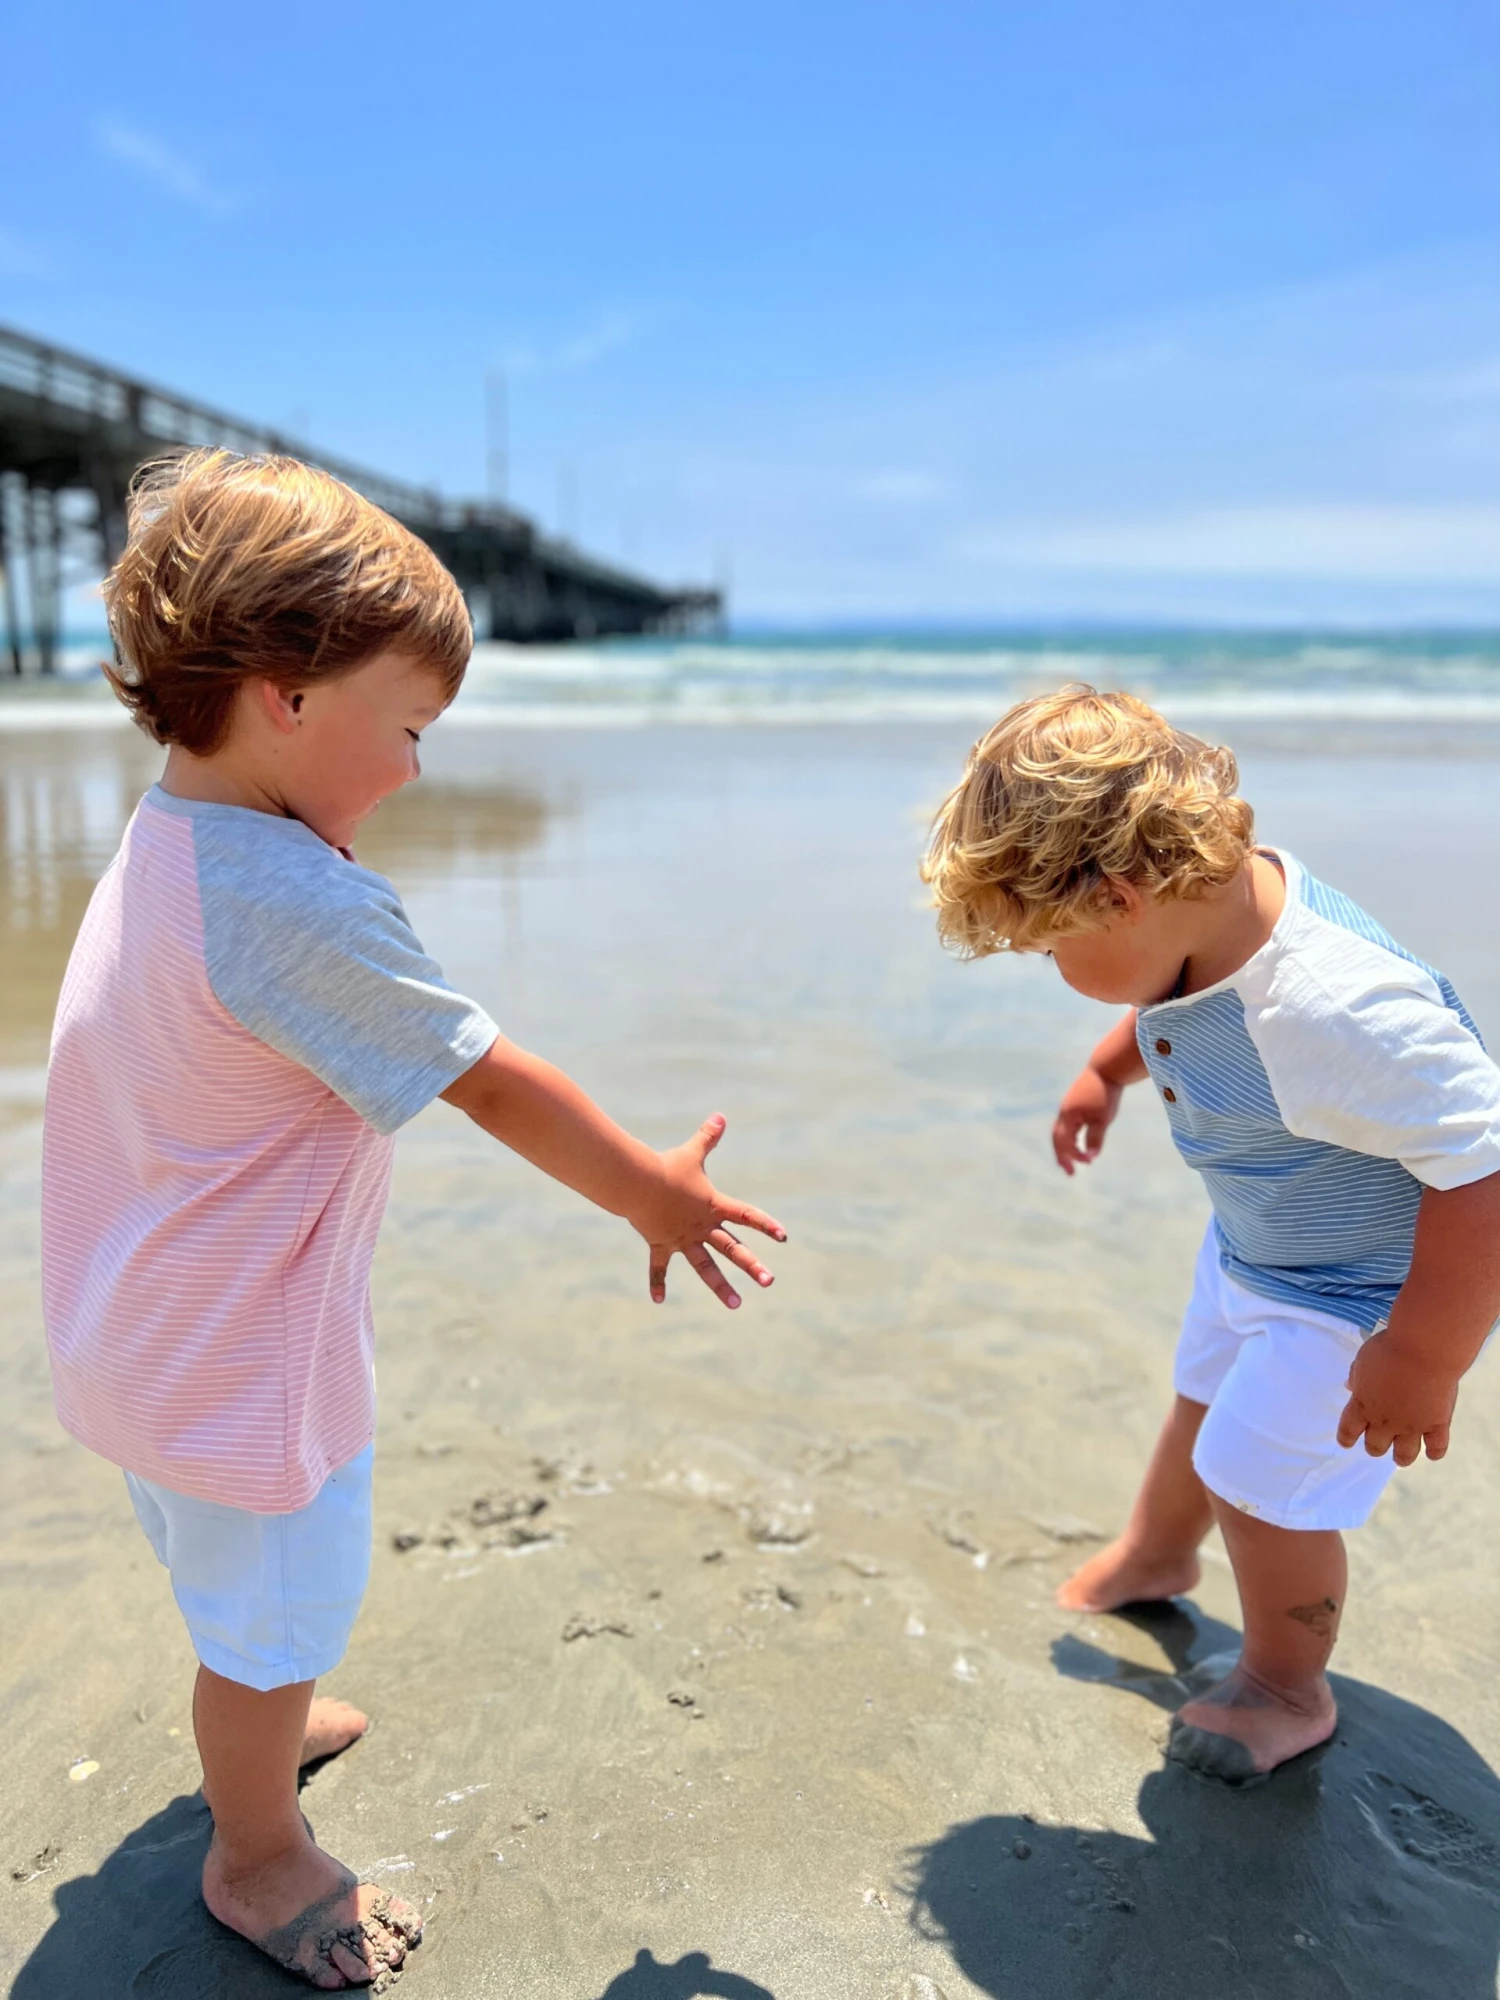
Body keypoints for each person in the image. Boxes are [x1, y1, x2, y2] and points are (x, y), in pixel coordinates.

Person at [41, 449, 785, 1989]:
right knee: (277, 1600)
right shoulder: (297, 904)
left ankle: (261, 1709)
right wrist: (652, 1190)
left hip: (137, 1338)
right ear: (283, 696)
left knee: (227, 1579)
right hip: (247, 1373)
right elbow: (488, 1080)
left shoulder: (174, 836)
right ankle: (255, 1850)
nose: (420, 771)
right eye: (412, 729)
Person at [922, 686, 1500, 1785]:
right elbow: (1180, 995)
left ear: (1125, 897)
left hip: (1365, 1291)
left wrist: (1425, 1355)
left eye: (1053, 948)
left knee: (1252, 1469)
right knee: (1200, 1390)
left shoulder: (1335, 1005)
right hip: (1258, 1240)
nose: (1053, 970)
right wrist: (1108, 1070)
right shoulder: (1211, 913)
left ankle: (1288, 1679)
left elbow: (1484, 1160)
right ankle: (1158, 1552)